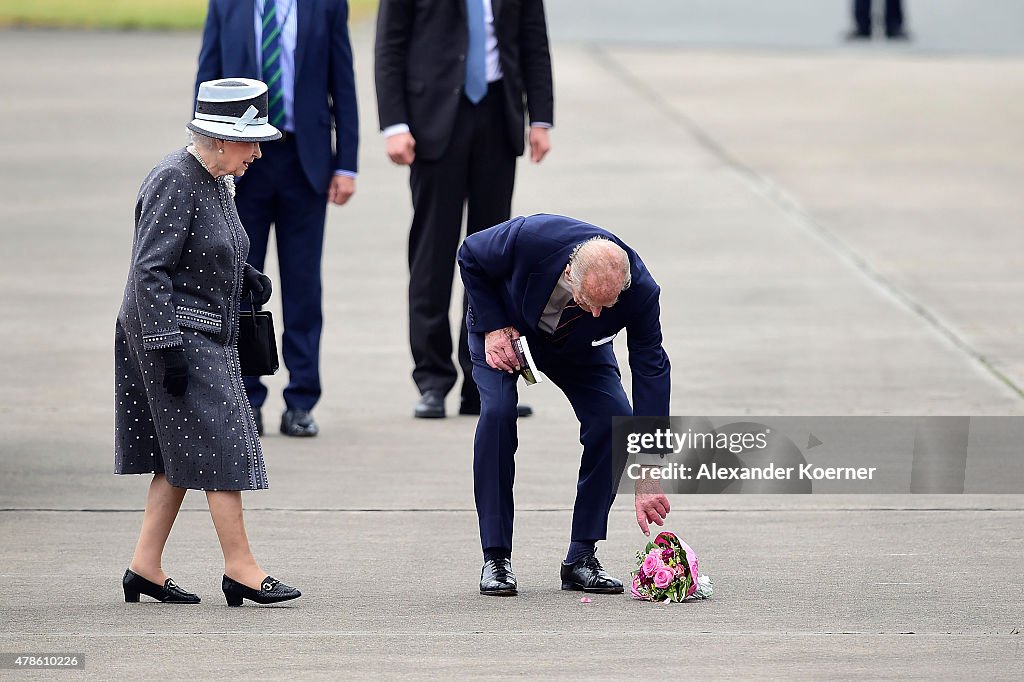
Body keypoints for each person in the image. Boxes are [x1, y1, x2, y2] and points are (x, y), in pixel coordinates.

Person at [115, 78, 301, 607]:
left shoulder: (218, 178)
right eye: (250, 141)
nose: (258, 152)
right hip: (174, 332)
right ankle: (241, 568)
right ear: (219, 140)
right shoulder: (176, 179)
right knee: (223, 442)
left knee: (178, 452)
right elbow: (149, 270)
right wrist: (164, 344)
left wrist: (245, 275)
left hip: (206, 327)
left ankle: (143, 568)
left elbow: (204, 246)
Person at [457, 214, 672, 596]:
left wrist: (649, 466)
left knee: (614, 422)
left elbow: (651, 368)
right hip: (507, 329)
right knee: (497, 414)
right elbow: (470, 253)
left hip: (579, 349)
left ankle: (581, 557)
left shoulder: (641, 291)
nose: (595, 314)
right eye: (587, 301)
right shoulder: (534, 237)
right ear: (570, 271)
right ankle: (496, 557)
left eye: (606, 306)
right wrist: (492, 326)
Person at [374, 0, 554, 419]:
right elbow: (390, 45)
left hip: (498, 114)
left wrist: (541, 118)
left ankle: (483, 380)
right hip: (433, 120)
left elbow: (533, 41)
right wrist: (394, 124)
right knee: (433, 257)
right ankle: (433, 379)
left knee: (495, 258)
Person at [196, 0, 359, 437]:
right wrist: (204, 160)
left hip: (304, 163)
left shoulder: (325, 6)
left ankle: (302, 399)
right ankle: (244, 398)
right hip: (242, 166)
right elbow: (207, 82)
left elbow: (343, 81)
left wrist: (347, 164)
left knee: (303, 287)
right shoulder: (227, 6)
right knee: (237, 283)